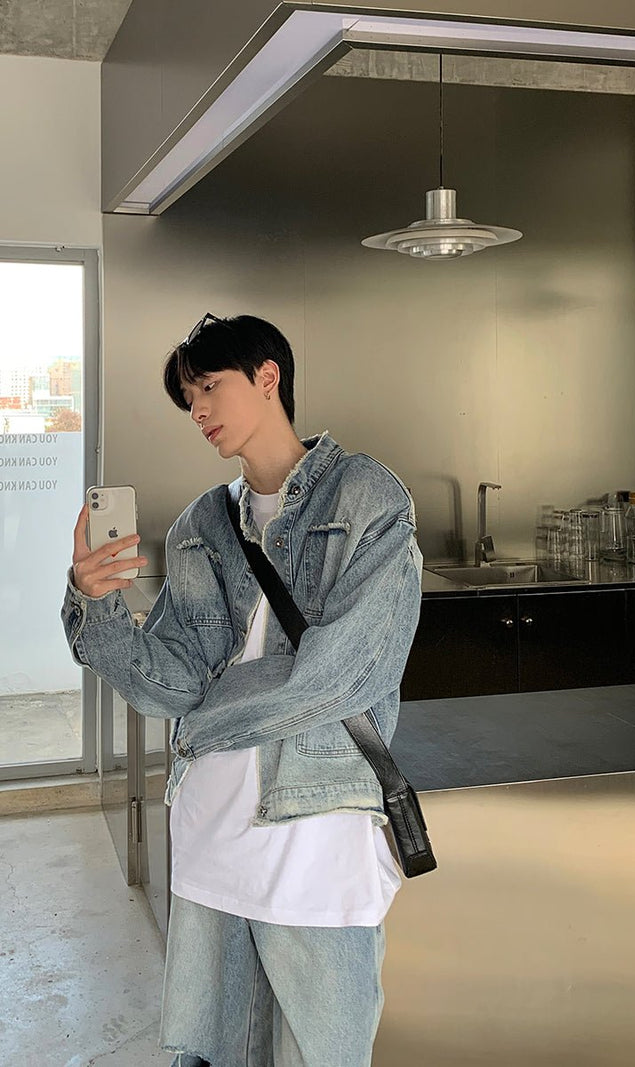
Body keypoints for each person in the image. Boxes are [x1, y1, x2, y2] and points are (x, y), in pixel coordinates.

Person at [61, 313, 423, 1067]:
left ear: (267, 376)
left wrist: (205, 724)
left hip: (317, 832)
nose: (198, 410)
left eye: (208, 386)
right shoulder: (201, 523)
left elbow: (345, 672)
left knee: (323, 1052)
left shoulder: (365, 496)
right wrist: (95, 605)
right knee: (213, 1054)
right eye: (188, 397)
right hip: (211, 836)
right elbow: (173, 684)